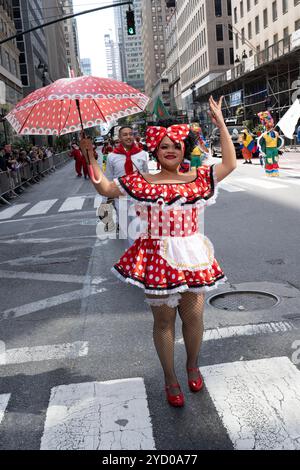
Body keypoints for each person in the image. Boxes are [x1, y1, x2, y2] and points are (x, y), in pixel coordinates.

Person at [85, 96, 236, 408]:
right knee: (164, 323)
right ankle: (170, 378)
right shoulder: (141, 181)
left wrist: (220, 123)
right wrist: (91, 156)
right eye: (164, 145)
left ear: (185, 149)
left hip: (193, 253)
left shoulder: (197, 178)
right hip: (156, 255)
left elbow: (230, 164)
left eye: (177, 144)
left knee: (194, 318)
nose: (171, 149)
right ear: (154, 150)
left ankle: (192, 365)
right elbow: (105, 189)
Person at [104, 126, 149, 246]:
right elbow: (109, 179)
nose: (128, 137)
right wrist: (108, 199)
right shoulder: (111, 157)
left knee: (141, 229)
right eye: (125, 134)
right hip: (121, 198)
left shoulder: (143, 154)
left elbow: (147, 177)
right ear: (119, 138)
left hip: (139, 198)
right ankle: (131, 258)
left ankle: (142, 256)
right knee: (127, 232)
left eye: (130, 134)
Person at [257, 111, 284, 177]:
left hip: (274, 149)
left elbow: (278, 142)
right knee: (269, 161)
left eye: (271, 122)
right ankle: (269, 172)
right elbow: (261, 143)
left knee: (275, 160)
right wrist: (263, 152)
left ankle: (275, 172)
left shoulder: (276, 133)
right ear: (266, 125)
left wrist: (278, 149)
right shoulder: (264, 135)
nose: (271, 124)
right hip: (268, 149)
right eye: (268, 122)